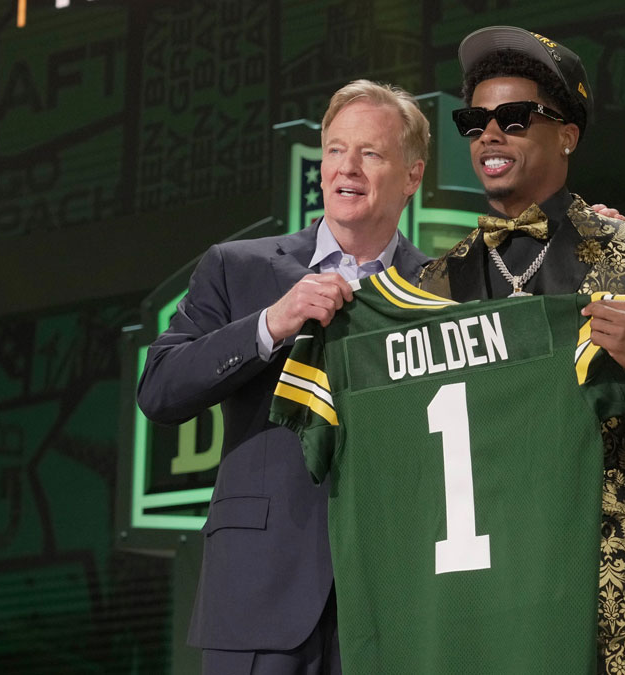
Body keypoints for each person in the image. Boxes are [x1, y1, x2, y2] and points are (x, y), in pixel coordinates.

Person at [417, 26, 625, 673]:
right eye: (475, 121)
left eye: (514, 117)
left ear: (567, 133)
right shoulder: (433, 285)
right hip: (474, 593)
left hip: (601, 599)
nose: (490, 135)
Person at [136, 79, 431, 675]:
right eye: (335, 150)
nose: (346, 167)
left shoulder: (442, 289)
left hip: (396, 598)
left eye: (370, 153)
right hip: (258, 593)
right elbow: (160, 388)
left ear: (412, 175)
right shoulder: (235, 268)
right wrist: (272, 323)